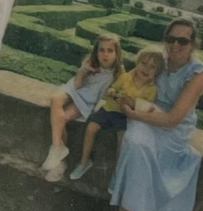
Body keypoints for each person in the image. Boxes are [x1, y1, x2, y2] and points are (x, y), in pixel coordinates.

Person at [101, 20, 203, 211]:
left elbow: (174, 119)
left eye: (183, 41)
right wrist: (124, 100)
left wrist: (134, 114)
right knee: (134, 142)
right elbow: (131, 82)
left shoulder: (198, 75)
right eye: (171, 39)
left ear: (193, 44)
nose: (176, 45)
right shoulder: (157, 62)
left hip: (171, 131)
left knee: (135, 143)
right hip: (147, 114)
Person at [68, 45, 164, 182]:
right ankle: (84, 161)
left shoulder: (151, 89)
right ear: (137, 63)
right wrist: (112, 92)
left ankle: (117, 173)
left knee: (122, 138)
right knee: (91, 127)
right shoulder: (125, 77)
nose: (146, 69)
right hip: (109, 109)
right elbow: (112, 88)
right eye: (143, 63)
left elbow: (144, 107)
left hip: (126, 116)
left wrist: (131, 102)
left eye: (152, 67)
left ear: (157, 72)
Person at [42, 33, 119, 182]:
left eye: (110, 51)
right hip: (75, 90)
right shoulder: (91, 62)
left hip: (87, 100)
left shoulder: (117, 73)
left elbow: (106, 96)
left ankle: (60, 163)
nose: (105, 54)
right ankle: (56, 148)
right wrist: (83, 71)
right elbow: (76, 85)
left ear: (117, 53)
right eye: (101, 50)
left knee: (62, 118)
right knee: (55, 98)